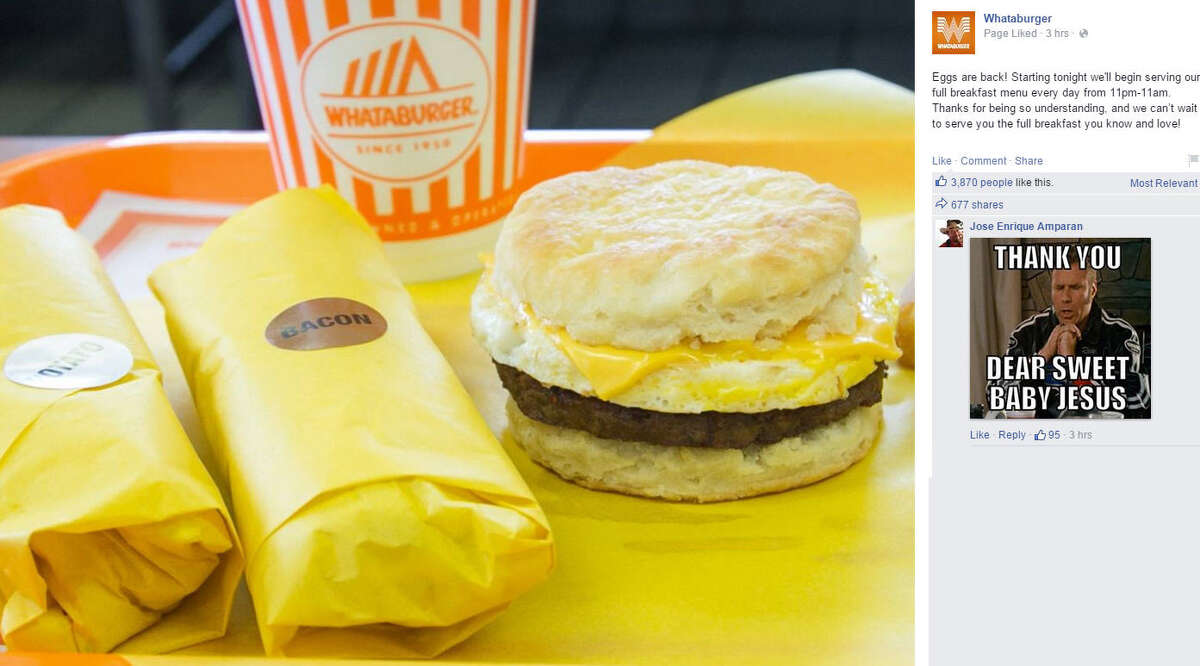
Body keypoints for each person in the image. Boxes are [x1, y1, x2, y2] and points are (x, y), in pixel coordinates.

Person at [987, 253, 1149, 417]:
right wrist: (1042, 356)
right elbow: (996, 394)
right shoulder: (1027, 333)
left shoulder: (1119, 334)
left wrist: (1071, 366)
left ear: (1092, 290)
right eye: (1059, 288)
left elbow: (1137, 401)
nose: (1065, 298)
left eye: (1075, 288)